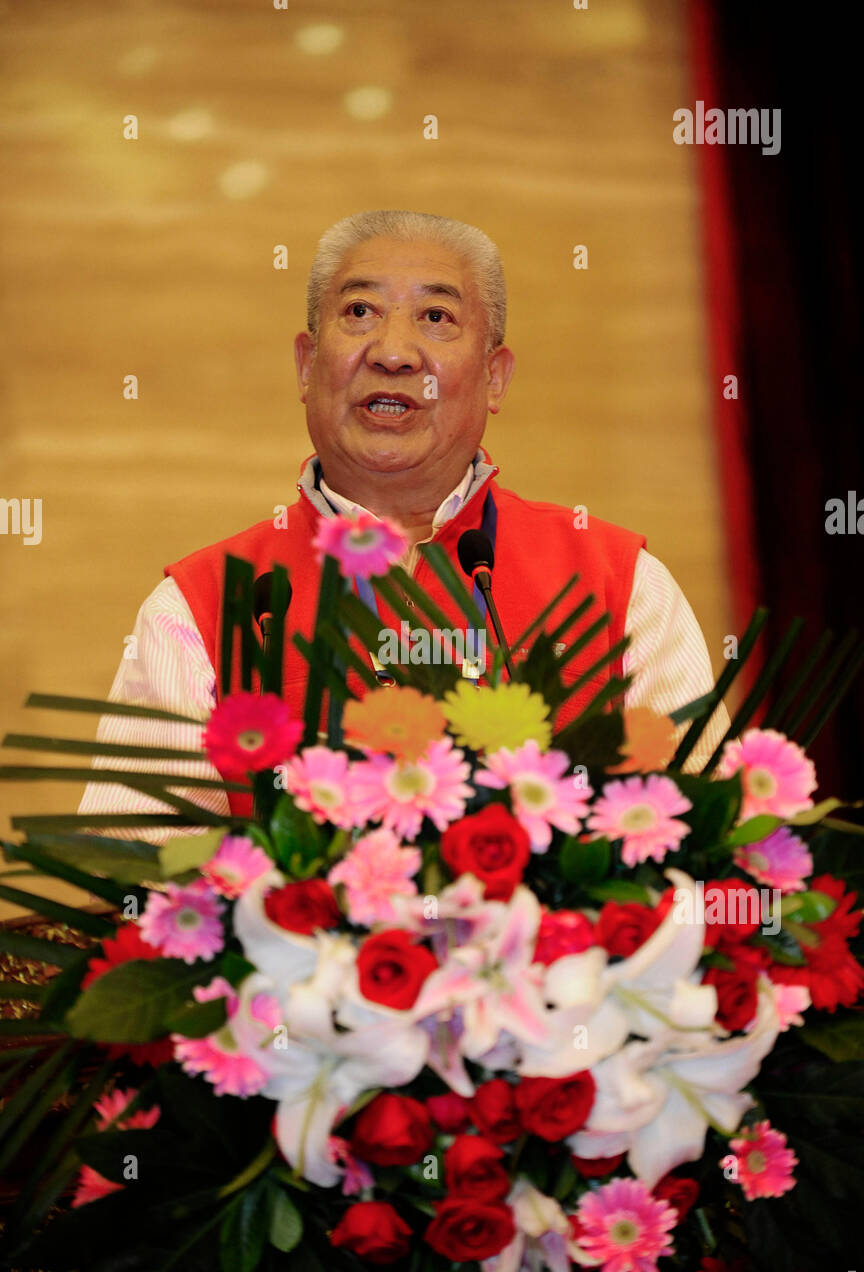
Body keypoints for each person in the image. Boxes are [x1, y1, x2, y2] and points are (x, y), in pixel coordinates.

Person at [78, 209, 729, 835]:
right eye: (359, 311)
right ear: (307, 366)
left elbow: (717, 846)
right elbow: (131, 891)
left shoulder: (617, 582)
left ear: (495, 378)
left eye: (437, 316)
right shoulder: (204, 604)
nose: (393, 352)